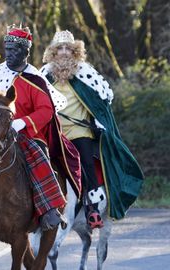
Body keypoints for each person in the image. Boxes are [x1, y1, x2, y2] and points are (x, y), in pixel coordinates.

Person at [0, 26, 82, 233]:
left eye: (14, 51)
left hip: (27, 134)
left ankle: (50, 209)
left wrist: (24, 122)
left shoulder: (35, 78)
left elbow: (46, 110)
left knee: (40, 157)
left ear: (26, 52)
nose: (9, 55)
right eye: (7, 49)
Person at [40, 30, 144, 228]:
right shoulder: (45, 73)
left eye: (68, 49)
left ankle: (93, 208)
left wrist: (97, 118)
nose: (63, 52)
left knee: (86, 162)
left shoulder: (84, 71)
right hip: (55, 130)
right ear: (53, 52)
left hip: (79, 130)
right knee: (37, 159)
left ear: (74, 51)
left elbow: (106, 95)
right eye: (59, 48)